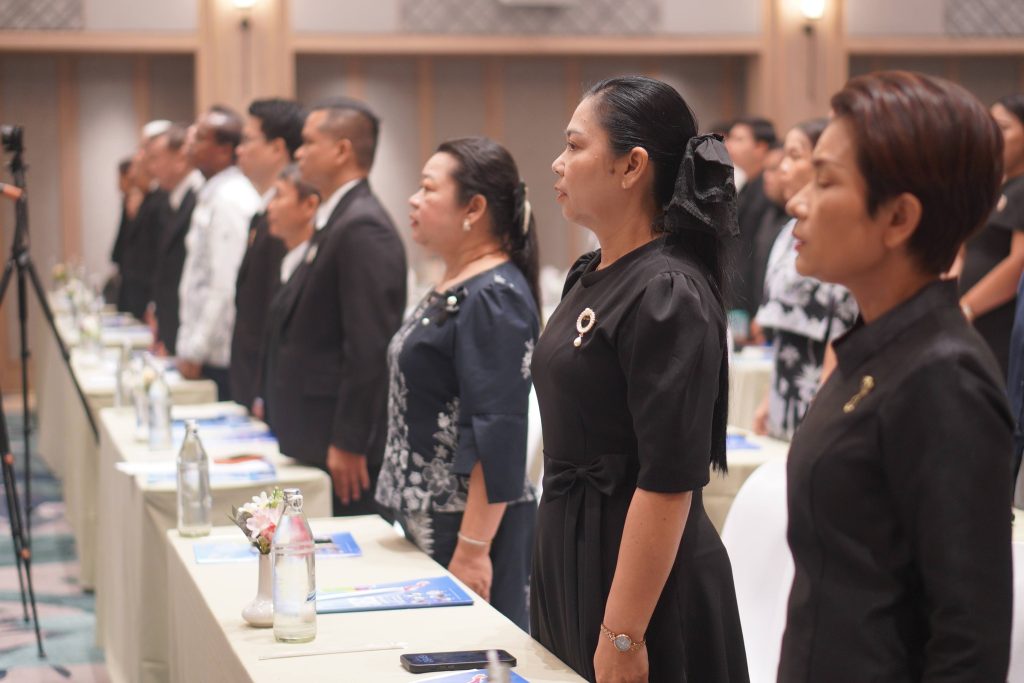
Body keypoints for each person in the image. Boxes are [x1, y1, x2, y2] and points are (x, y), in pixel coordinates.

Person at [777, 70, 1012, 682]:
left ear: (899, 218)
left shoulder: (944, 376)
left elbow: (969, 641)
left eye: (825, 180)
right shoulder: (878, 347)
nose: (797, 201)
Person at [531, 76, 749, 683]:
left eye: (575, 145)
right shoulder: (590, 273)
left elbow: (668, 482)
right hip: (572, 545)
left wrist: (623, 634)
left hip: (642, 582)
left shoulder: (667, 290)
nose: (558, 163)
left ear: (632, 166)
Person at [374, 137, 540, 629]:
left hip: (463, 523)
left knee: (465, 654)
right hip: (430, 515)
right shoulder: (460, 281)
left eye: (428, 189)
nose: (413, 200)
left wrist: (472, 548)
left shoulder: (494, 296)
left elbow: (497, 427)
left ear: (474, 208)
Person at [264, 97, 407, 515]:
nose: (299, 153)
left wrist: (350, 439)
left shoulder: (362, 225)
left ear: (342, 150)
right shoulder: (339, 218)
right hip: (315, 430)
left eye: (309, 142)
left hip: (340, 444)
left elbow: (369, 345)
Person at [752, 119, 859, 440]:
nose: (783, 167)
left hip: (822, 383)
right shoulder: (789, 231)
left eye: (795, 156)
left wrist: (826, 395)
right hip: (786, 380)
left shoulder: (841, 233)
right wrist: (769, 396)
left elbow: (845, 320)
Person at [176, 106, 261, 399]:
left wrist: (196, 349)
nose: (191, 144)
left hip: (217, 354)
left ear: (225, 150)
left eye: (200, 138)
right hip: (207, 349)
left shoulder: (230, 199)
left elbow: (224, 283)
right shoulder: (213, 193)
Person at [231, 98, 305, 412]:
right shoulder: (263, 211)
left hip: (267, 389)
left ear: (277, 148)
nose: (238, 150)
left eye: (248, 140)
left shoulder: (290, 216)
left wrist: (262, 390)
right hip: (251, 378)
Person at [960, 93, 1024, 374]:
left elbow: (1019, 262)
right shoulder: (996, 189)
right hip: (975, 324)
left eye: (1004, 128)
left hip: (1000, 325)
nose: (994, 138)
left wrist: (968, 307)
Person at [147, 123, 203, 356]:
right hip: (172, 325)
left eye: (156, 158)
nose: (151, 167)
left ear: (179, 159)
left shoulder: (200, 197)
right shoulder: (172, 199)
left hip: (190, 330)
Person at [115, 122, 172, 320]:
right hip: (135, 294)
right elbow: (121, 253)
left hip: (150, 298)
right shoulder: (141, 200)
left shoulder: (162, 200)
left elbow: (155, 258)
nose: (131, 175)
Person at [725, 116, 778, 321]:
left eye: (739, 139)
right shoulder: (748, 186)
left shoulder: (769, 191)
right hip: (741, 292)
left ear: (760, 147)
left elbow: (761, 250)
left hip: (755, 297)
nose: (729, 145)